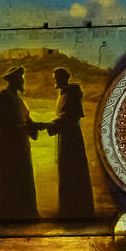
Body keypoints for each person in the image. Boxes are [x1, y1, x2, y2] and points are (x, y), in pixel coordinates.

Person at [0, 67, 44, 221]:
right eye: (21, 79)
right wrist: (26, 127)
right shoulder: (5, 96)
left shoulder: (19, 99)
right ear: (14, 80)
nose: (23, 81)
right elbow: (2, 121)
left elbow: (27, 120)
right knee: (11, 178)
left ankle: (26, 214)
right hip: (10, 147)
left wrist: (35, 125)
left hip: (21, 145)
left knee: (23, 178)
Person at [47, 68, 95, 217]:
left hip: (71, 139)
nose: (54, 81)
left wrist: (46, 125)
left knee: (73, 170)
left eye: (56, 78)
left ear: (63, 78)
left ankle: (77, 210)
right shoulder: (64, 94)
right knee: (66, 170)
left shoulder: (71, 93)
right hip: (66, 137)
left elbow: (68, 116)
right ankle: (69, 208)